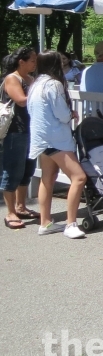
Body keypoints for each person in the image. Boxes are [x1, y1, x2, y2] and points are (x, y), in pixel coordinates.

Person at [27, 50, 88, 238]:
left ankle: (45, 223)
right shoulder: (53, 84)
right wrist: (71, 114)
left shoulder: (35, 84)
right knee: (79, 177)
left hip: (41, 137)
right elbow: (62, 114)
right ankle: (71, 223)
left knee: (48, 177)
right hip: (56, 138)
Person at [2, 48, 39, 230]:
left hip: (31, 130)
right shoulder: (12, 78)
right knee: (13, 169)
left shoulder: (31, 79)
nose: (35, 63)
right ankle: (10, 212)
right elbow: (21, 100)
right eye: (32, 60)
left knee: (27, 169)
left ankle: (21, 206)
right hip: (15, 130)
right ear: (21, 62)